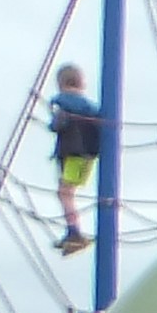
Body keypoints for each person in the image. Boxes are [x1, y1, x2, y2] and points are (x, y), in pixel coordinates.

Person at [47, 64, 103, 253]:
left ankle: (74, 232)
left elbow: (57, 125)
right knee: (67, 191)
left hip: (74, 154)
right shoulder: (91, 107)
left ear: (61, 83)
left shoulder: (61, 101)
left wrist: (54, 122)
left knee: (65, 193)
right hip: (88, 154)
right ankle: (73, 232)